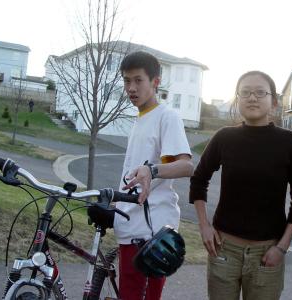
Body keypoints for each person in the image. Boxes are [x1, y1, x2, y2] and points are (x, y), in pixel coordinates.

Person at [189, 70, 292, 300]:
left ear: (274, 101)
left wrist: (282, 248)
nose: (252, 98)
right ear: (237, 99)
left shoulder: (289, 143)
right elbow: (199, 180)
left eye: (260, 92)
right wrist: (204, 226)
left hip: (267, 255)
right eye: (245, 92)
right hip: (223, 251)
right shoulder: (224, 137)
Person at [114, 51, 193, 300]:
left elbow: (186, 166)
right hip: (129, 225)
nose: (131, 88)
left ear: (155, 82)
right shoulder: (139, 119)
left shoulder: (166, 116)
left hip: (151, 233)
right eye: (127, 81)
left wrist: (152, 169)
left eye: (138, 80)